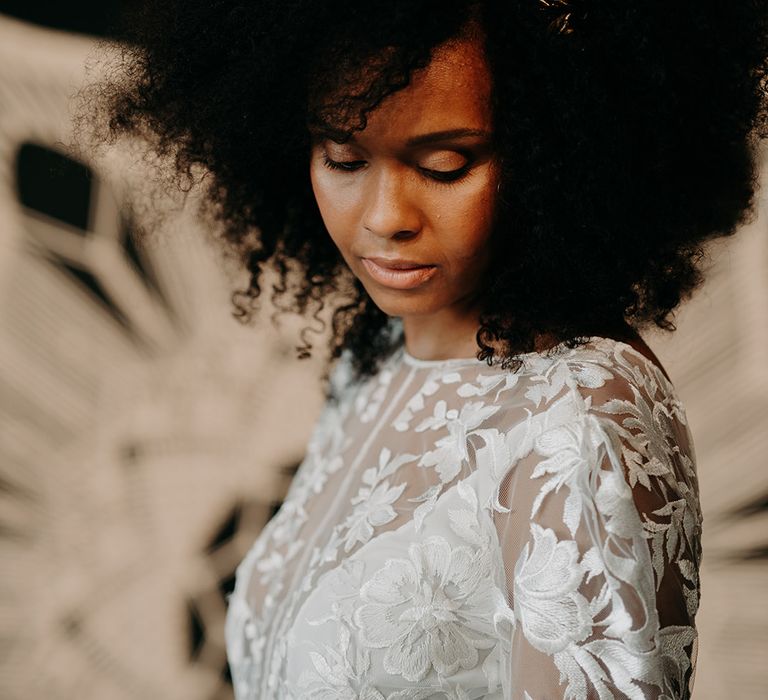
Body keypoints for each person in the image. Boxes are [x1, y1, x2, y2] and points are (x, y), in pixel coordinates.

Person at [78, 0, 768, 697]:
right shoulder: (374, 361)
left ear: (558, 150)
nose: (384, 219)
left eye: (444, 166)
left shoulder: (582, 414)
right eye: (342, 159)